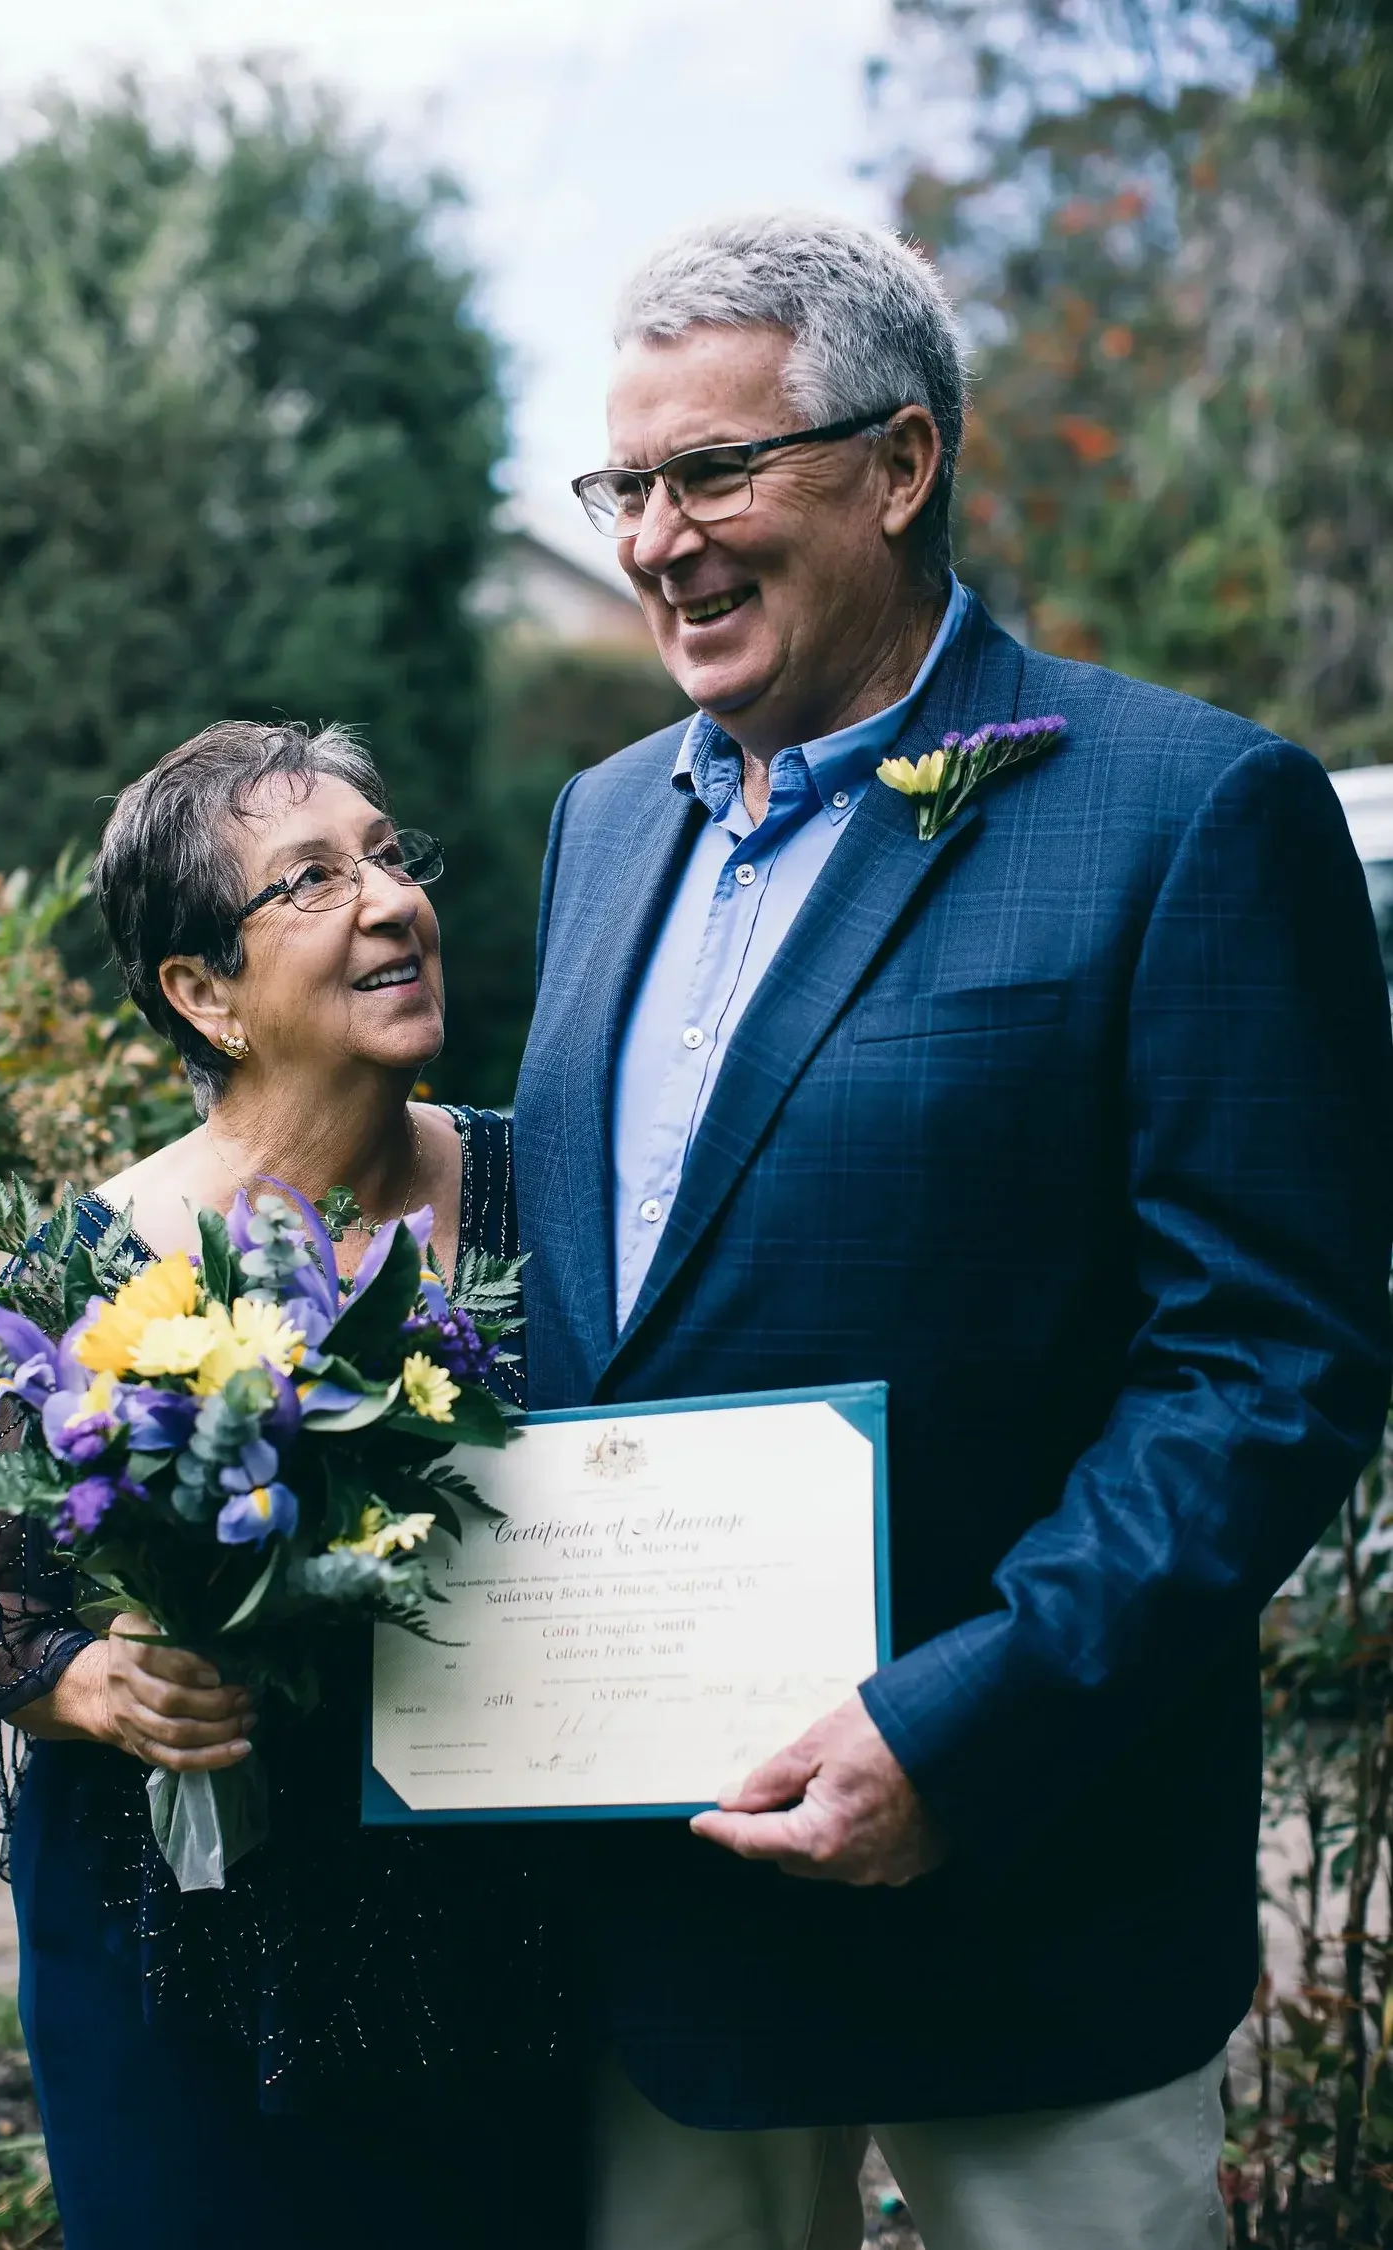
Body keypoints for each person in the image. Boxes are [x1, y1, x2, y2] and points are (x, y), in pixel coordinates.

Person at [512, 212, 1393, 2249]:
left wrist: (961, 1732)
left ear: (901, 466)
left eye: (719, 471)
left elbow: (1266, 1364)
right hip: (668, 1910)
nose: (659, 540)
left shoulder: (1185, 812)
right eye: (626, 486)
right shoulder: (599, 822)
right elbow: (602, 1281)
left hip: (1035, 1895)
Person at [0, 721, 580, 2250]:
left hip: (494, 1958)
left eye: (392, 855)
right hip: (184, 1970)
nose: (395, 901)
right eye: (314, 878)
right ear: (203, 994)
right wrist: (94, 1682)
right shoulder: (95, 1259)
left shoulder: (546, 1191)